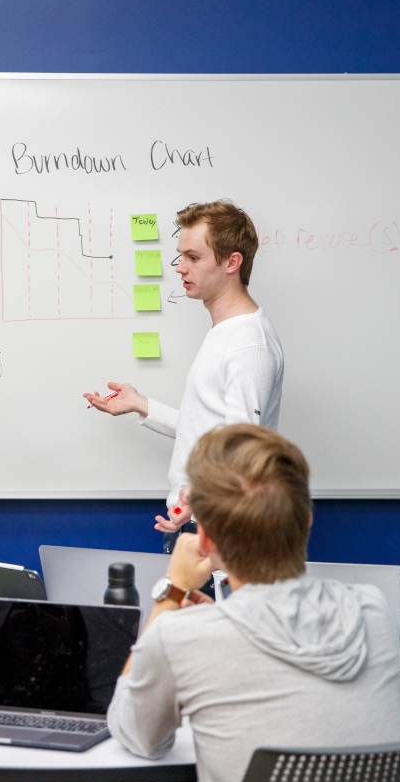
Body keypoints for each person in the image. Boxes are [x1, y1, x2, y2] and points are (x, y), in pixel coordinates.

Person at [107, 424, 400, 782]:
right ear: (308, 520)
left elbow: (133, 732)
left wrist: (171, 594)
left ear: (204, 538)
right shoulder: (373, 610)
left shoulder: (181, 637)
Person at [84, 200, 284, 552]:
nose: (179, 267)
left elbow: (242, 450)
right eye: (181, 256)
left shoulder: (248, 344)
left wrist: (199, 497)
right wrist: (141, 405)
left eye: (193, 258)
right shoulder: (226, 332)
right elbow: (210, 429)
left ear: (231, 263)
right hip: (198, 520)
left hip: (223, 529)